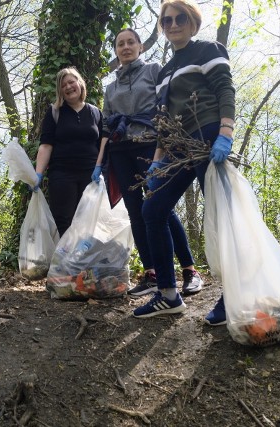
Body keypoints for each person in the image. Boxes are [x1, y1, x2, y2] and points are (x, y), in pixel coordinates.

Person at [133, 0, 235, 323]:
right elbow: (163, 121)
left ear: (192, 22)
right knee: (152, 209)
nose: (173, 24)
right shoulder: (164, 72)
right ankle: (167, 294)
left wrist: (226, 133)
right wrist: (157, 162)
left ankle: (235, 295)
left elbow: (225, 89)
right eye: (166, 21)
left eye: (179, 18)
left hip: (207, 138)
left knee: (222, 218)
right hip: (177, 150)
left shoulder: (207, 50)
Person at [93, 28, 203, 298]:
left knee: (161, 206)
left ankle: (190, 270)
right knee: (135, 211)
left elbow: (166, 106)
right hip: (120, 150)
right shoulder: (111, 86)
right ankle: (152, 273)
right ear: (116, 51)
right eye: (120, 44)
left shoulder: (154, 71)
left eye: (131, 42)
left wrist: (163, 149)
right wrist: (99, 163)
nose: (126, 47)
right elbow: (107, 126)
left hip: (151, 145)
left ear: (140, 46)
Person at [32, 67, 103, 236]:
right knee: (64, 219)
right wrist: (38, 174)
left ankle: (85, 260)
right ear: (60, 91)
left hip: (90, 174)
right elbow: (46, 145)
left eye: (71, 82)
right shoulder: (55, 112)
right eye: (63, 85)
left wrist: (101, 168)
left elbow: (102, 144)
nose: (68, 87)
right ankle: (66, 260)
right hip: (62, 174)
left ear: (80, 84)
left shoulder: (95, 112)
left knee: (89, 220)